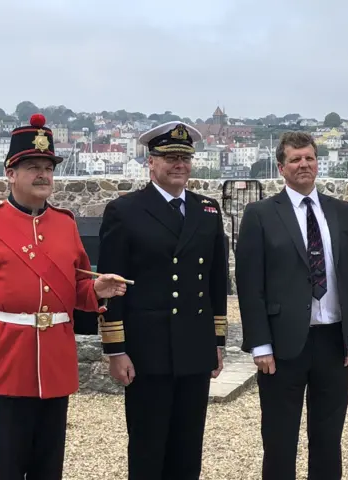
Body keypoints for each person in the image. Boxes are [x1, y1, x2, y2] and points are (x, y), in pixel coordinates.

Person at [0, 113, 127, 479]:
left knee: (49, 466)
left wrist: (95, 290)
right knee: (10, 465)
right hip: (7, 361)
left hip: (55, 361)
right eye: (32, 166)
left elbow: (73, 289)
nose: (43, 174)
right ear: (10, 174)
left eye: (48, 166)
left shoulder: (65, 223)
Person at [235, 131, 348, 480]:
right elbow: (250, 285)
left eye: (309, 157)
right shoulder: (261, 214)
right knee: (280, 440)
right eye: (295, 159)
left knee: (328, 438)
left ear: (317, 162)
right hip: (282, 345)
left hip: (332, 342)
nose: (303, 164)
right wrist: (260, 344)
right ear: (281, 167)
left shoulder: (342, 213)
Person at [96, 121, 228, 480]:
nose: (179, 164)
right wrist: (115, 349)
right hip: (147, 351)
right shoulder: (125, 211)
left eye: (185, 157)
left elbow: (217, 282)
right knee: (148, 448)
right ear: (150, 162)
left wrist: (217, 342)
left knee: (188, 449)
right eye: (170, 157)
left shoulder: (208, 210)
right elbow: (112, 288)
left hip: (194, 347)